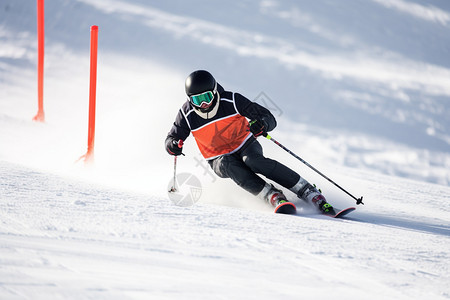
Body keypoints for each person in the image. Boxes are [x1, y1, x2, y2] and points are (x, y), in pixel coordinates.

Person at [165, 70, 335, 214]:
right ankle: (271, 195)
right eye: (196, 100)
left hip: (245, 144)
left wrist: (262, 124)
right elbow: (172, 137)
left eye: (207, 96)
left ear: (215, 91)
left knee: (254, 162)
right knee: (227, 164)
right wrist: (173, 144)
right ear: (189, 100)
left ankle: (307, 191)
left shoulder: (231, 100)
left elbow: (268, 117)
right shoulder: (186, 114)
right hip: (217, 157)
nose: (203, 104)